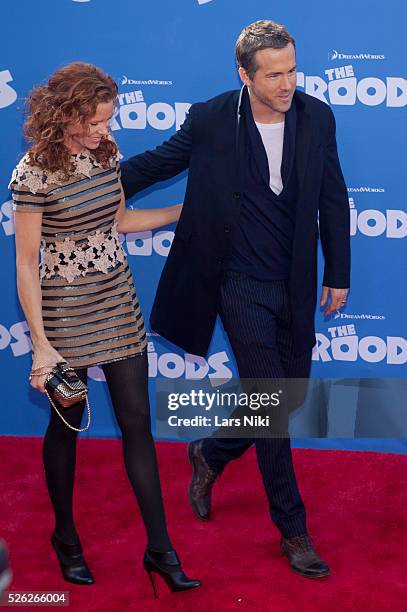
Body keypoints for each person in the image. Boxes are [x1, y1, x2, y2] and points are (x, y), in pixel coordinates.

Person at [121, 20, 350, 579]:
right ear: (244, 75)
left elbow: (333, 197)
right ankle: (293, 530)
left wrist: (338, 273)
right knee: (273, 406)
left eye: (293, 69)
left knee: (286, 399)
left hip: (293, 282)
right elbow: (155, 164)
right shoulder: (211, 118)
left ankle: (212, 452)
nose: (288, 82)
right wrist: (81, 181)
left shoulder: (318, 116)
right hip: (236, 282)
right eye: (274, 74)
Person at [9, 62, 201, 596]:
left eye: (107, 122)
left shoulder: (106, 154)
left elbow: (119, 222)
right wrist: (42, 346)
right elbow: (26, 263)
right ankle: (66, 538)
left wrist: (187, 209)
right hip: (63, 314)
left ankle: (160, 549)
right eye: (94, 122)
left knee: (138, 421)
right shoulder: (32, 174)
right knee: (66, 426)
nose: (104, 132)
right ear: (65, 114)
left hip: (116, 301)